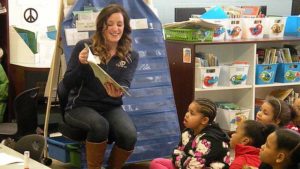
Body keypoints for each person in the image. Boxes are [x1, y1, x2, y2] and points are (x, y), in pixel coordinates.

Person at [62, 4, 139, 169]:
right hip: (80, 106)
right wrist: (82, 64)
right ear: (101, 26)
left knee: (129, 135)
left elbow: (125, 82)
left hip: (111, 106)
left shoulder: (132, 55)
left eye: (119, 24)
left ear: (125, 27)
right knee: (99, 126)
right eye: (109, 24)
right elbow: (67, 83)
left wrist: (118, 92)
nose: (115, 28)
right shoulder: (85, 46)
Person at [150, 98, 230, 169]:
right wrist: (183, 160)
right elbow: (177, 152)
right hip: (185, 164)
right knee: (156, 162)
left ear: (204, 120)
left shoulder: (210, 139)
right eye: (188, 111)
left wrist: (182, 160)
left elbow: (194, 166)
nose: (187, 115)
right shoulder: (188, 131)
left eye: (192, 113)